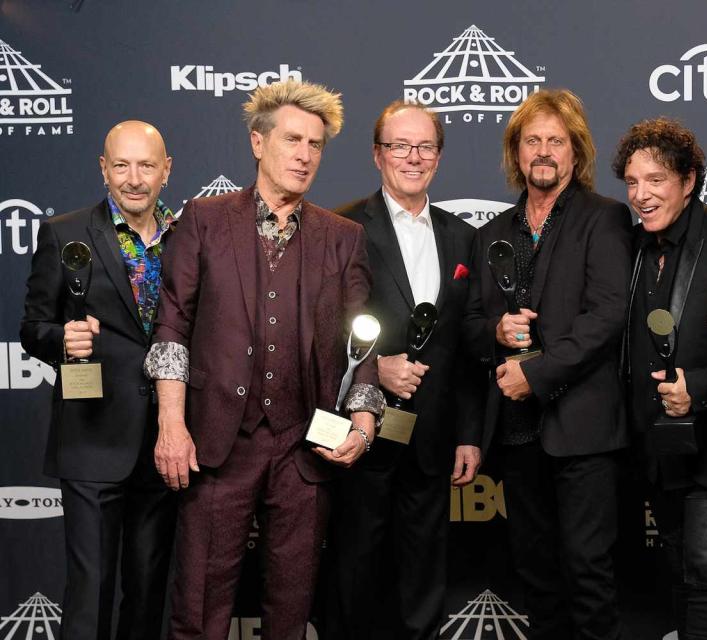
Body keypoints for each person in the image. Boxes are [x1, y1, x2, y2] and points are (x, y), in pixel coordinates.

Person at [143, 79, 384, 639]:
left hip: (305, 446)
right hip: (216, 445)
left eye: (316, 145)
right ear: (258, 143)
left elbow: (364, 339)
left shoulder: (342, 237)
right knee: (199, 606)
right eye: (292, 140)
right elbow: (172, 328)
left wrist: (366, 422)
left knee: (292, 609)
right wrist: (172, 426)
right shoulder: (202, 221)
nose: (304, 155)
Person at [462, 89, 632, 640]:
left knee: (588, 573)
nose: (543, 152)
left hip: (581, 430)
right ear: (516, 153)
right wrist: (494, 329)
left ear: (575, 153)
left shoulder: (605, 219)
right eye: (531, 140)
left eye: (555, 141)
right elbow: (465, 325)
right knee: (535, 575)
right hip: (516, 435)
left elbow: (605, 319)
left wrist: (534, 373)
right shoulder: (490, 236)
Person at [329, 101, 483, 639]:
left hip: (434, 434)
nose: (412, 158)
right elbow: (317, 330)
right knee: (357, 564)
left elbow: (467, 347)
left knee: (425, 569)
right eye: (400, 146)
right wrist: (374, 369)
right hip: (359, 431)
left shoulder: (464, 238)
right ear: (378, 154)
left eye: (425, 147)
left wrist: (469, 434)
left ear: (438, 157)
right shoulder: (341, 227)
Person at [21, 120, 177, 640]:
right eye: (122, 165)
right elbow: (32, 327)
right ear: (103, 168)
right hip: (91, 440)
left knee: (149, 589)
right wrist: (62, 340)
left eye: (146, 165)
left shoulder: (188, 238)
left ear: (166, 171)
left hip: (165, 443)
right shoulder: (65, 232)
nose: (134, 179)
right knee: (90, 593)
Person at [613, 118, 707, 640]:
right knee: (678, 568)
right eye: (632, 182)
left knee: (704, 569)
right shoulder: (627, 246)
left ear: (689, 179)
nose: (641, 195)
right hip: (654, 447)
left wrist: (698, 388)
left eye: (655, 180)